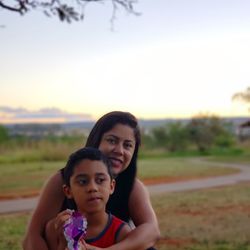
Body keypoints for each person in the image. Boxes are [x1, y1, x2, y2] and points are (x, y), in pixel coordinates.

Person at [23, 111, 160, 250]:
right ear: (96, 140)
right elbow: (33, 236)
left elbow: (151, 231)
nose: (120, 150)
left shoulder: (133, 187)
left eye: (128, 145)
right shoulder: (62, 179)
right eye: (112, 140)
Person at [46, 147, 131, 249]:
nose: (92, 188)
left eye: (100, 180)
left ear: (111, 186)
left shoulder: (122, 232)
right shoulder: (56, 227)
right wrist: (63, 243)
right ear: (68, 191)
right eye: (82, 181)